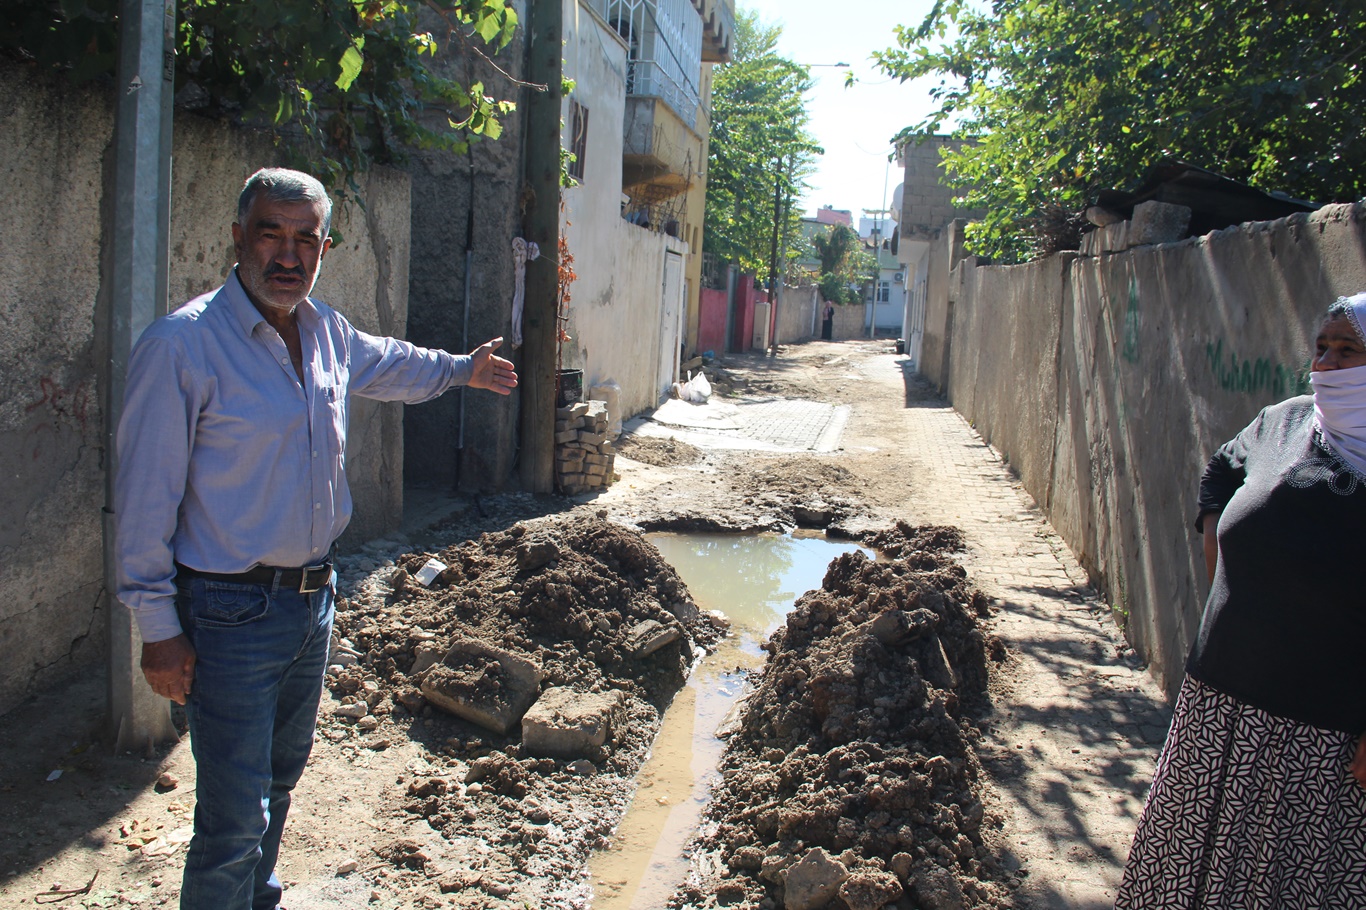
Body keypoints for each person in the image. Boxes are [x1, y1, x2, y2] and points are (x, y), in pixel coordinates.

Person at [114, 167, 517, 910]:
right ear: (238, 238)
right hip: (228, 613)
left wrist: (463, 370)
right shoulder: (184, 346)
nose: (288, 254)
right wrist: (156, 627)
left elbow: (392, 363)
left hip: (310, 606)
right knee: (232, 820)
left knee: (275, 788)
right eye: (271, 232)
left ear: (325, 248)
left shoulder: (327, 332)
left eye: (306, 239)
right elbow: (144, 499)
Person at [1114, 293, 1366, 909]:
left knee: (1284, 883)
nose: (1327, 364)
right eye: (1322, 348)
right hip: (1219, 706)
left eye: (1350, 351)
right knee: (1182, 876)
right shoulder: (1286, 422)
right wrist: (1214, 540)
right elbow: (1221, 470)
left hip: (1320, 737)